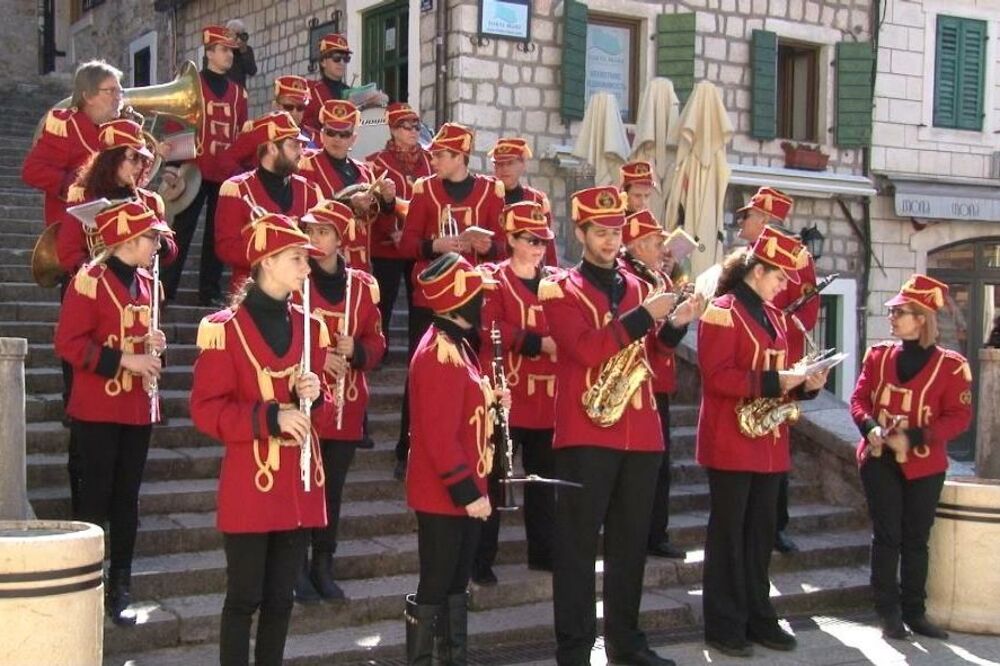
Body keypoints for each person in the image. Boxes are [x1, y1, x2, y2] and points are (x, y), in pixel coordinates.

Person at [541, 186, 678, 666]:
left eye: (616, 231)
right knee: (577, 547)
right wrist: (646, 317)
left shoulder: (639, 284)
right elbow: (584, 349)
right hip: (585, 430)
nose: (610, 240)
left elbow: (657, 351)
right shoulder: (558, 286)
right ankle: (574, 650)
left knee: (630, 545)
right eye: (600, 232)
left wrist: (678, 322)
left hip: (640, 429)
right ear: (580, 232)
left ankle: (626, 643)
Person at [189, 210, 332, 666]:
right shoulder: (223, 330)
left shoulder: (311, 328)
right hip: (251, 480)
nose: (307, 268)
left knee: (281, 599)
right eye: (297, 258)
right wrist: (270, 418)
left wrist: (314, 396)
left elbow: (318, 415)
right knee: (244, 598)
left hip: (297, 483)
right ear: (268, 261)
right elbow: (206, 411)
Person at [697, 226, 827, 658]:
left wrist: (805, 385)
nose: (783, 285)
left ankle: (758, 615)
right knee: (728, 537)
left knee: (758, 537)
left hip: (769, 440)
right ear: (757, 271)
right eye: (778, 277)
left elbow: (782, 378)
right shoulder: (721, 310)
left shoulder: (776, 317)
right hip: (731, 440)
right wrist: (776, 380)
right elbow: (717, 378)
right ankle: (723, 623)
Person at [54, 199, 171, 626]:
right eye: (151, 238)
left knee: (127, 499)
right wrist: (125, 359)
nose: (158, 245)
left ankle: (121, 581)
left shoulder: (148, 283)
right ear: (126, 238)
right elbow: (68, 344)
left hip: (138, 406)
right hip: (98, 406)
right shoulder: (88, 280)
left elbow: (144, 348)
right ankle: (86, 581)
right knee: (96, 496)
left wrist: (156, 347)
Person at [850, 274, 972, 641]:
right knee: (886, 536)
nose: (892, 316)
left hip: (925, 464)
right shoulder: (879, 355)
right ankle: (888, 613)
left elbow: (960, 417)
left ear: (921, 317)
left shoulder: (952, 366)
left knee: (917, 538)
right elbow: (859, 401)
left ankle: (915, 612)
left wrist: (915, 437)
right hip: (878, 458)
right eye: (893, 311)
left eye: (899, 311)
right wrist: (870, 428)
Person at [404, 252, 503, 666]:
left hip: (462, 490)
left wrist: (492, 400)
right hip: (445, 493)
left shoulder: (457, 346)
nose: (484, 301)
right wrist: (467, 492)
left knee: (454, 585)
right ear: (458, 302)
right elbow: (439, 437)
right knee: (437, 583)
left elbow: (462, 414)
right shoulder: (439, 353)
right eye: (478, 295)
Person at [394, 122, 506, 480]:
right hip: (430, 300)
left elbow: (503, 248)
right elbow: (407, 245)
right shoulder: (425, 190)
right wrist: (438, 245)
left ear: (461, 157)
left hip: (474, 300)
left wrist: (487, 246)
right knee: (420, 376)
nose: (435, 160)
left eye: (442, 155)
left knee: (472, 375)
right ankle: (406, 449)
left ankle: (470, 446)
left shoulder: (491, 191)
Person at [293, 199, 387, 602]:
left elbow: (377, 343)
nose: (315, 240)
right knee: (301, 483)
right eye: (311, 231)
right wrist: (321, 357)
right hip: (307, 406)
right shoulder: (295, 278)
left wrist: (357, 352)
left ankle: (322, 565)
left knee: (332, 489)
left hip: (348, 405)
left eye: (324, 232)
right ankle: (295, 568)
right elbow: (283, 336)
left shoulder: (363, 285)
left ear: (340, 238)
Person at [472, 201, 559, 585]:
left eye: (542, 239)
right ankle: (480, 559)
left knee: (544, 482)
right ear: (511, 239)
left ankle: (544, 551)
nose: (538, 246)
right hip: (506, 395)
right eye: (530, 239)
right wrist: (539, 343)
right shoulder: (491, 278)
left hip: (549, 399)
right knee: (493, 478)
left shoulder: (558, 282)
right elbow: (489, 328)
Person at [737, 186, 818, 554]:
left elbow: (808, 311)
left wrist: (775, 332)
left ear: (766, 220)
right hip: (751, 359)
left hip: (780, 362)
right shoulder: (746, 257)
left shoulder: (797, 258)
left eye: (748, 216)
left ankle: (776, 525)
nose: (742, 222)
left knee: (776, 439)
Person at [619, 209, 703, 560]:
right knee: (632, 468)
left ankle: (656, 533)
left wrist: (680, 321)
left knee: (660, 464)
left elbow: (664, 343)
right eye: (656, 243)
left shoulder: (662, 280)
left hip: (659, 383)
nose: (663, 250)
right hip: (633, 386)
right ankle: (631, 535)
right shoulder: (625, 280)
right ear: (637, 245)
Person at [161, 25, 248, 307]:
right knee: (182, 228)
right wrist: (173, 165)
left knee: (217, 234)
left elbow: (240, 135)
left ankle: (209, 291)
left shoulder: (239, 94)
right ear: (209, 52)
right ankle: (165, 287)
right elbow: (178, 124)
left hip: (225, 173)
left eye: (231, 51)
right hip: (194, 168)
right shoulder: (192, 85)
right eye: (223, 50)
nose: (229, 55)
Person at [214, 111, 323, 295]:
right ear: (272, 148)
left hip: (300, 294)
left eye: (301, 145)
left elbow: (320, 244)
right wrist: (275, 254)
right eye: (294, 145)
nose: (301, 152)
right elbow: (226, 248)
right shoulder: (235, 189)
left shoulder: (311, 191)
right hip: (252, 295)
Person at [22, 59, 123, 226]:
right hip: (73, 229)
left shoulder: (119, 127)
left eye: (120, 91)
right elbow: (32, 171)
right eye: (111, 91)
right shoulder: (66, 126)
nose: (118, 98)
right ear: (88, 96)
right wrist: (79, 186)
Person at [300, 99, 396, 271]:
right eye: (330, 132)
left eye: (344, 134)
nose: (336, 139)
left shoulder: (365, 172)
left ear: (353, 139)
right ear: (321, 135)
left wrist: (388, 202)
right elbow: (306, 214)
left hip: (361, 265)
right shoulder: (307, 165)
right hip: (324, 264)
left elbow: (381, 227)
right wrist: (349, 204)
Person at [366, 103, 433, 345]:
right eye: (407, 126)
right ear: (393, 130)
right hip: (386, 245)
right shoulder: (376, 162)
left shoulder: (430, 161)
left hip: (418, 243)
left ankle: (418, 350)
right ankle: (378, 349)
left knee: (420, 301)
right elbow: (373, 203)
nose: (414, 131)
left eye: (417, 125)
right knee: (384, 300)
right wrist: (392, 231)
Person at [220, 74, 317, 175]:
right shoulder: (260, 130)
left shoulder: (314, 137)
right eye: (288, 107)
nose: (294, 112)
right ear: (276, 106)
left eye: (300, 108)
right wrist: (249, 182)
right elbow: (226, 160)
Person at [489, 137, 558, 266]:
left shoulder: (537, 200)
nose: (504, 169)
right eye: (499, 164)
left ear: (523, 165)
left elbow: (548, 247)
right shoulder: (485, 198)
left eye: (510, 163)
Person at [302, 34, 353, 132]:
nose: (341, 63)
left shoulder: (351, 92)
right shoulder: (311, 92)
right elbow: (305, 128)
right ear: (323, 62)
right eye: (336, 58)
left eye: (346, 59)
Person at [226, 18, 257, 88]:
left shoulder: (247, 50)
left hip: (240, 91)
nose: (238, 38)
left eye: (240, 34)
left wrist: (243, 50)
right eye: (235, 34)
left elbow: (252, 71)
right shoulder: (223, 49)